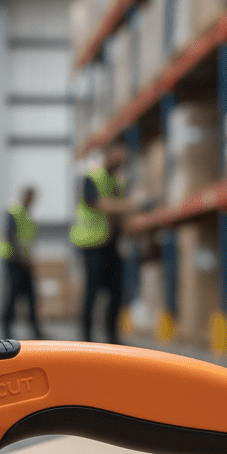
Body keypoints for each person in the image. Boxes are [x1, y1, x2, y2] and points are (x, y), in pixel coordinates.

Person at [69, 144, 135, 345]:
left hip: (111, 244)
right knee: (92, 291)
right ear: (108, 155)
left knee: (117, 292)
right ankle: (87, 337)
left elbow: (119, 215)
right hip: (91, 243)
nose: (121, 159)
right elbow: (98, 203)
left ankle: (112, 337)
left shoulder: (116, 182)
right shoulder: (91, 176)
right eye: (118, 154)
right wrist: (131, 205)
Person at [0, 186, 44, 340]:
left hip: (24, 261)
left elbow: (28, 239)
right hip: (13, 260)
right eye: (30, 197)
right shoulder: (14, 210)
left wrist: (28, 258)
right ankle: (6, 333)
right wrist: (20, 256)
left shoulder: (27, 214)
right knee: (12, 296)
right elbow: (10, 235)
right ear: (25, 196)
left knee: (31, 297)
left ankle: (36, 331)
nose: (32, 200)